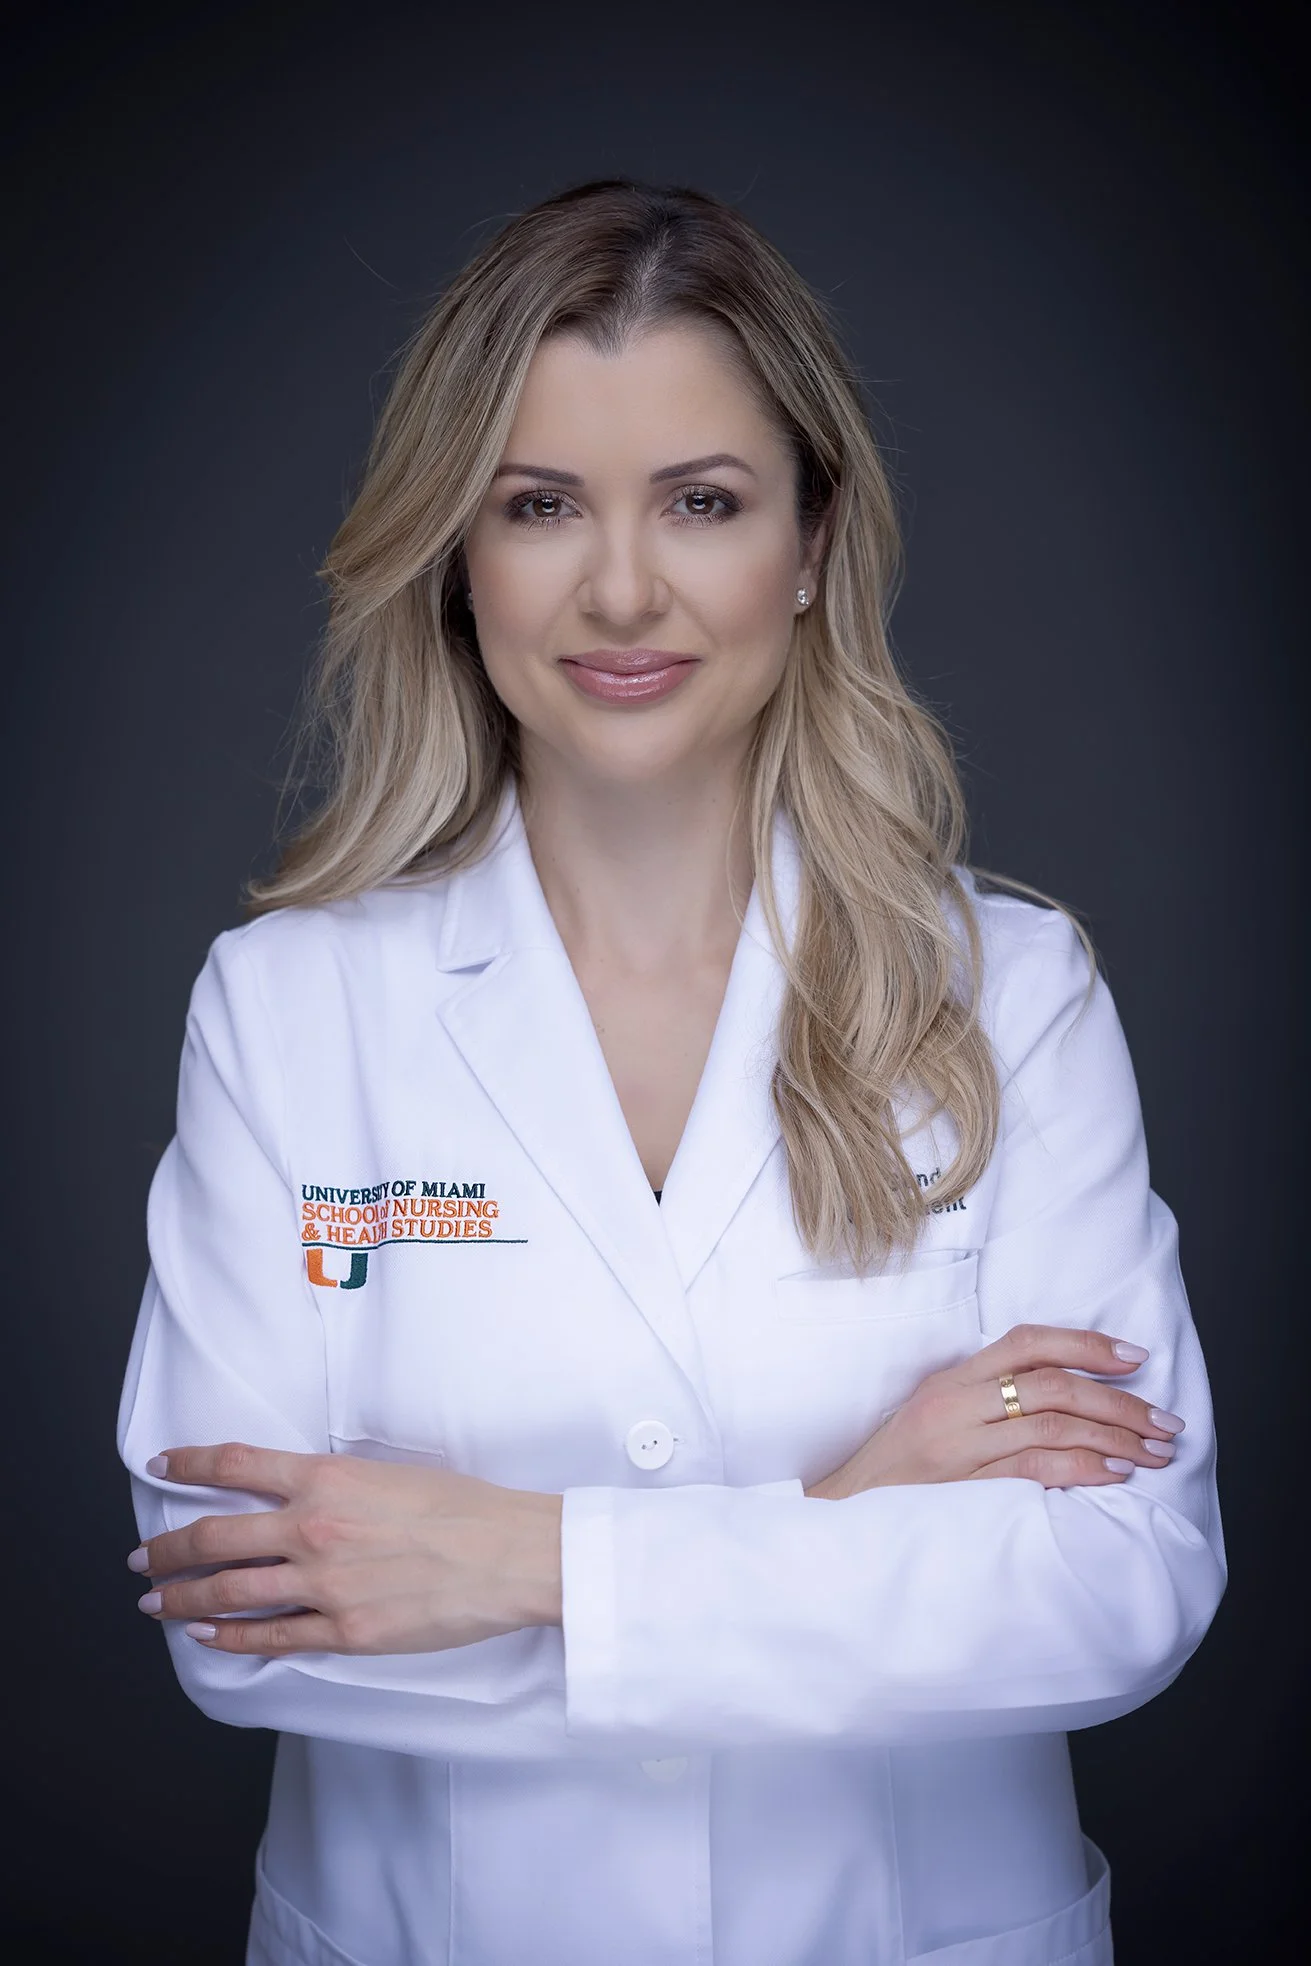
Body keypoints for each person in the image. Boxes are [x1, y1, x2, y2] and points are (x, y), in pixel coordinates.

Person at [117, 178, 1226, 1966]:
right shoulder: (288, 1010)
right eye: (539, 505)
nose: (620, 586)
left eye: (700, 503)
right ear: (455, 554)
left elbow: (1116, 1590)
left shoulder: (1008, 996)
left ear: (806, 542)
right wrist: (849, 1518)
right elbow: (244, 1618)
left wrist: (522, 1563)